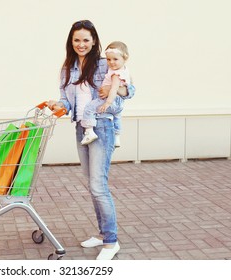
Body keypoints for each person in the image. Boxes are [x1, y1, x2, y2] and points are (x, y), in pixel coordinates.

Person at [47, 20, 135, 260]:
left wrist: (117, 90)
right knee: (92, 185)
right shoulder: (68, 68)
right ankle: (102, 233)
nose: (81, 44)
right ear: (71, 42)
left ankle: (111, 241)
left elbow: (130, 90)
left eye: (86, 40)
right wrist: (59, 104)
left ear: (94, 40)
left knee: (98, 186)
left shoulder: (106, 63)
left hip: (102, 126)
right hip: (81, 127)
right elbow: (66, 100)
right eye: (77, 40)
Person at [80, 41, 131, 147]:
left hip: (109, 100)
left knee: (89, 108)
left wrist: (107, 103)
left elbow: (114, 89)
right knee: (117, 117)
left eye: (115, 59)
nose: (111, 62)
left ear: (125, 58)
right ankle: (117, 137)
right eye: (108, 59)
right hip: (119, 103)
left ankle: (89, 131)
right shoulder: (125, 70)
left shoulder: (115, 74)